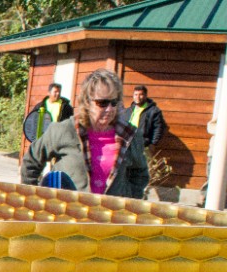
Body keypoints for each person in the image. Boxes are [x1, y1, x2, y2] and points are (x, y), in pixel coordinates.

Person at [21, 68, 149, 199]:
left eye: (114, 102)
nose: (110, 108)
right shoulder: (64, 130)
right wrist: (34, 200)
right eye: (102, 103)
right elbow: (31, 161)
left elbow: (140, 174)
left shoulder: (129, 135)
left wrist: (129, 201)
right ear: (87, 102)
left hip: (110, 216)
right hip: (67, 214)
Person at [119, 84, 167, 149]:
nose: (138, 97)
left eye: (140, 95)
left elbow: (158, 128)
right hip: (127, 145)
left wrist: (153, 144)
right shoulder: (128, 111)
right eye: (136, 95)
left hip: (143, 146)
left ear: (145, 96)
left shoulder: (153, 111)